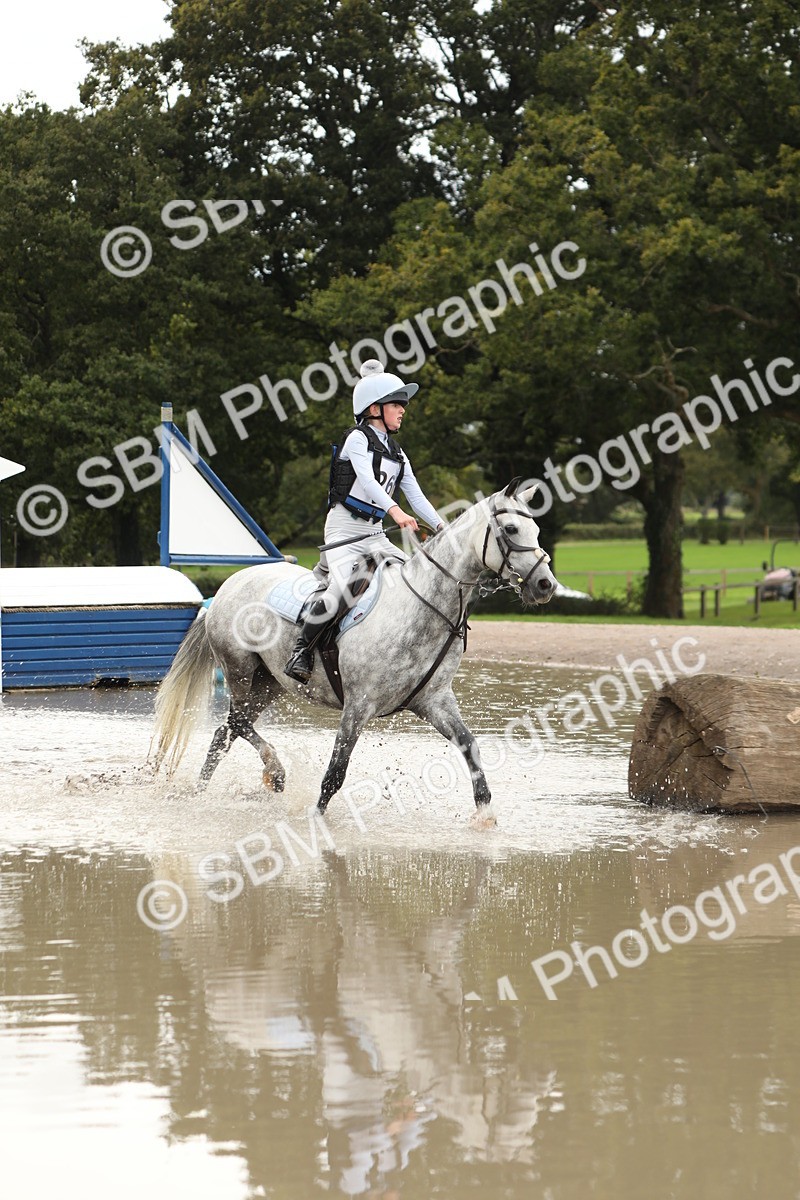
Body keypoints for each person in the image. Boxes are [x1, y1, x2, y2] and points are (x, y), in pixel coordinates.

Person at [284, 358, 444, 683]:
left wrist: (444, 528)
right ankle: (300, 650)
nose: (403, 410)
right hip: (343, 530)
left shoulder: (398, 453)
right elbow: (368, 482)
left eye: (403, 405)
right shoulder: (356, 439)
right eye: (396, 405)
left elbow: (416, 495)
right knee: (344, 588)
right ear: (374, 408)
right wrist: (395, 512)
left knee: (414, 580)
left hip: (375, 535)